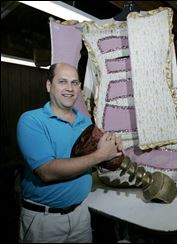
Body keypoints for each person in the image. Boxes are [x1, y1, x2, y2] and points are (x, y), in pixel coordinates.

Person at [16, 63, 123, 243]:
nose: (70, 88)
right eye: (62, 82)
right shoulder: (31, 121)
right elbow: (46, 171)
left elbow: (103, 162)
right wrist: (100, 155)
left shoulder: (86, 122)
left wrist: (114, 150)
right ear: (49, 85)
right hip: (45, 220)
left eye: (75, 83)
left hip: (81, 215)